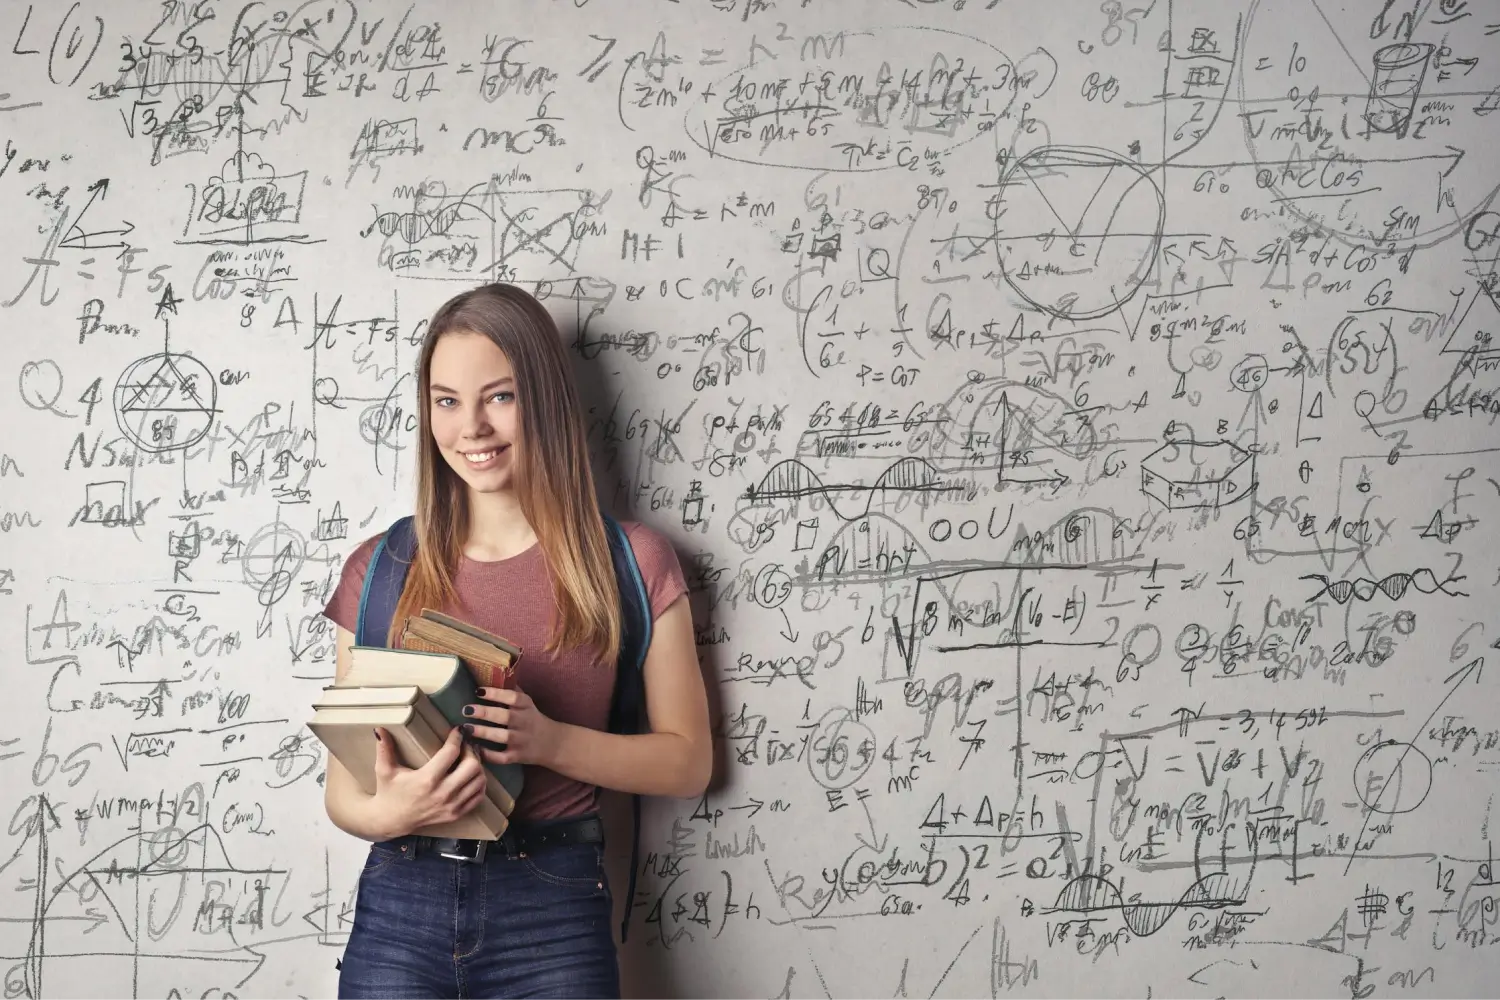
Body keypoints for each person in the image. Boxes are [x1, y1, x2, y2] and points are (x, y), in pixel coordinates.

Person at [318, 282, 713, 1000]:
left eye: (499, 396)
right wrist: (395, 812)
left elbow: (689, 763)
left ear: (545, 400)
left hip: (553, 907)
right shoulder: (378, 569)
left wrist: (549, 742)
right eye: (446, 400)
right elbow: (346, 790)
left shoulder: (633, 562)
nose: (470, 427)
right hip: (400, 901)